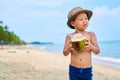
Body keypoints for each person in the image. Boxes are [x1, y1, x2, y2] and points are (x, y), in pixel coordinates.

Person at [63, 6, 100, 80]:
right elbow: (65, 53)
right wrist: (69, 47)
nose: (85, 21)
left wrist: (91, 47)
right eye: (81, 19)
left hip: (87, 70)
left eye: (86, 18)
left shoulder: (91, 34)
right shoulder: (70, 36)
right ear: (73, 23)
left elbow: (97, 51)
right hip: (74, 69)